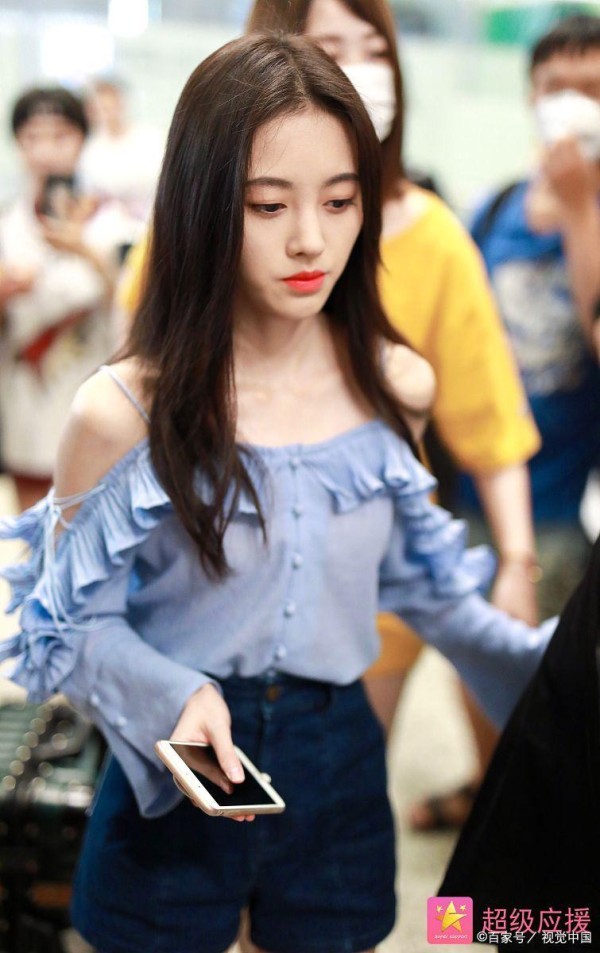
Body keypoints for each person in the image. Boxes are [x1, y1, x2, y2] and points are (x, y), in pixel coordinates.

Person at [0, 34, 553, 953]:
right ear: (203, 205)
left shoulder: (394, 383)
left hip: (338, 759)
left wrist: (549, 663)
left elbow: (421, 584)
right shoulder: (122, 409)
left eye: (339, 201)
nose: (310, 240)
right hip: (173, 766)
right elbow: (64, 626)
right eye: (268, 205)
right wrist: (173, 696)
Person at [245, 0, 541, 832]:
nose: (310, 242)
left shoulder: (429, 254)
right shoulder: (194, 222)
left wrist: (516, 565)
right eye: (330, 45)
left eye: (374, 47)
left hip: (369, 597)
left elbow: (488, 422)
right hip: (225, 587)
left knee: (320, 810)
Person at [460, 13, 600, 623]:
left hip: (559, 513)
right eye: (556, 88)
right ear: (531, 97)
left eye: (592, 90)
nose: (573, 105)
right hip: (470, 494)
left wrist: (579, 209)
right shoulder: (492, 210)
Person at [0, 86, 120, 511]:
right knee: (34, 530)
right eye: (32, 137)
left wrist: (86, 253)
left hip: (94, 401)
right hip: (27, 403)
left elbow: (137, 303)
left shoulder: (111, 221)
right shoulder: (8, 223)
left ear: (82, 139)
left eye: (60, 136)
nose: (46, 151)